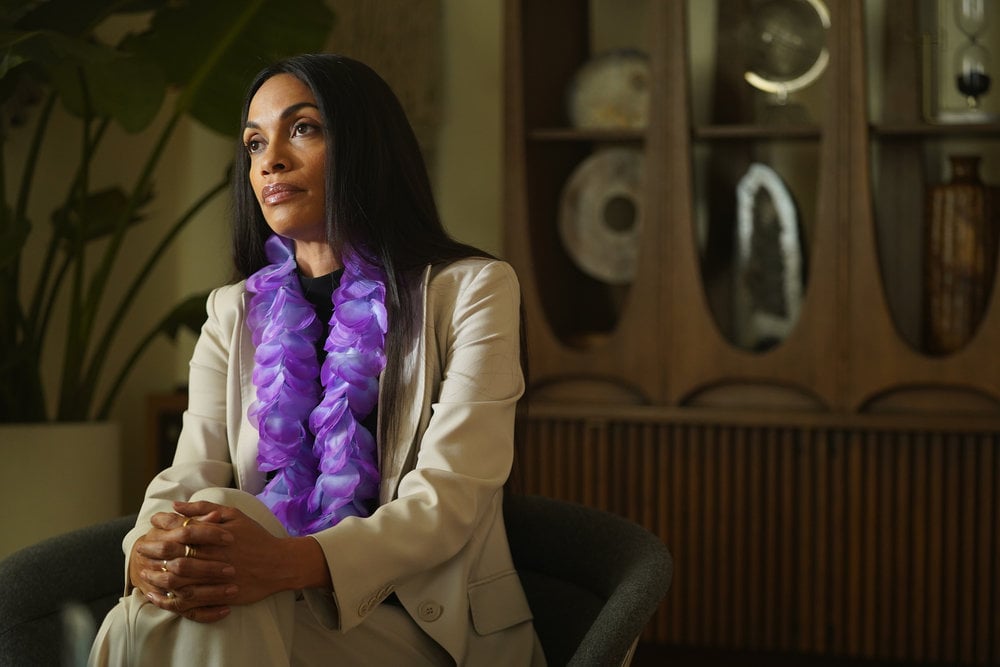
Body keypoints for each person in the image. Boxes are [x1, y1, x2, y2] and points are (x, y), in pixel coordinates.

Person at [89, 53, 544, 666]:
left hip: (421, 625)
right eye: (254, 143)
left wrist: (284, 564)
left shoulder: (473, 290)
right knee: (210, 550)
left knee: (154, 623)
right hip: (262, 610)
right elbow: (190, 473)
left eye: (302, 128)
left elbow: (450, 497)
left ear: (365, 146)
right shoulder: (232, 311)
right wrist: (147, 549)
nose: (269, 160)